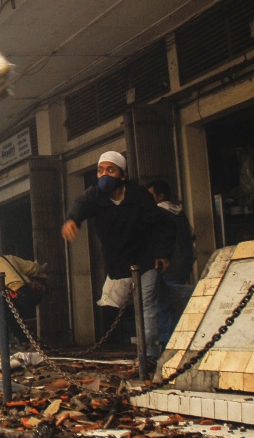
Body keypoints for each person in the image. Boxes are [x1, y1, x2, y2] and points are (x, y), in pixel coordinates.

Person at [61, 151, 175, 376]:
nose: (104, 175)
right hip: (119, 262)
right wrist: (72, 220)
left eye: (110, 170)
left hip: (145, 257)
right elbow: (79, 205)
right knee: (162, 297)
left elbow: (160, 224)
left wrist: (162, 253)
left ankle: (148, 358)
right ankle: (192, 297)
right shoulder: (94, 196)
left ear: (123, 175)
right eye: (100, 170)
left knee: (147, 303)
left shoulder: (139, 196)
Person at [0, 238, 47, 357]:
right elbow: (32, 267)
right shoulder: (8, 258)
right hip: (29, 293)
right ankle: (31, 343)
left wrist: (0, 304)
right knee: (11, 318)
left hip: (14, 295)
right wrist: (41, 271)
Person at [146, 180, 196, 346]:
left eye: (150, 196)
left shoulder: (158, 213)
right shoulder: (179, 213)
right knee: (174, 305)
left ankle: (165, 346)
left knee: (163, 305)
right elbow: (190, 237)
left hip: (166, 267)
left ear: (160, 196)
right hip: (182, 265)